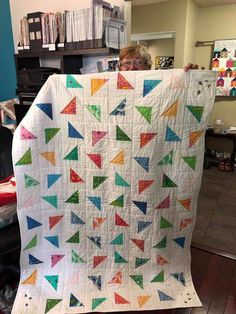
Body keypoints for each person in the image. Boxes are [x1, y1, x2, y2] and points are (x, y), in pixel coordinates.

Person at [118, 44, 204, 71]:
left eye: (138, 62)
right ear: (120, 67)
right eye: (127, 63)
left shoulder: (164, 84)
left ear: (148, 66)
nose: (132, 67)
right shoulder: (110, 87)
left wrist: (193, 80)